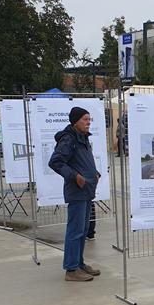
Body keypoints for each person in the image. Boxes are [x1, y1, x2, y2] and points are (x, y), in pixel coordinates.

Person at [48, 106, 101, 282]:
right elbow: (55, 162)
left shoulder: (82, 138)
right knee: (75, 230)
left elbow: (81, 161)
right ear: (76, 121)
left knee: (83, 229)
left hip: (86, 191)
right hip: (77, 192)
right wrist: (75, 176)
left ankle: (78, 263)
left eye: (89, 119)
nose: (88, 122)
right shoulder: (68, 139)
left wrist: (94, 173)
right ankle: (71, 269)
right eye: (85, 119)